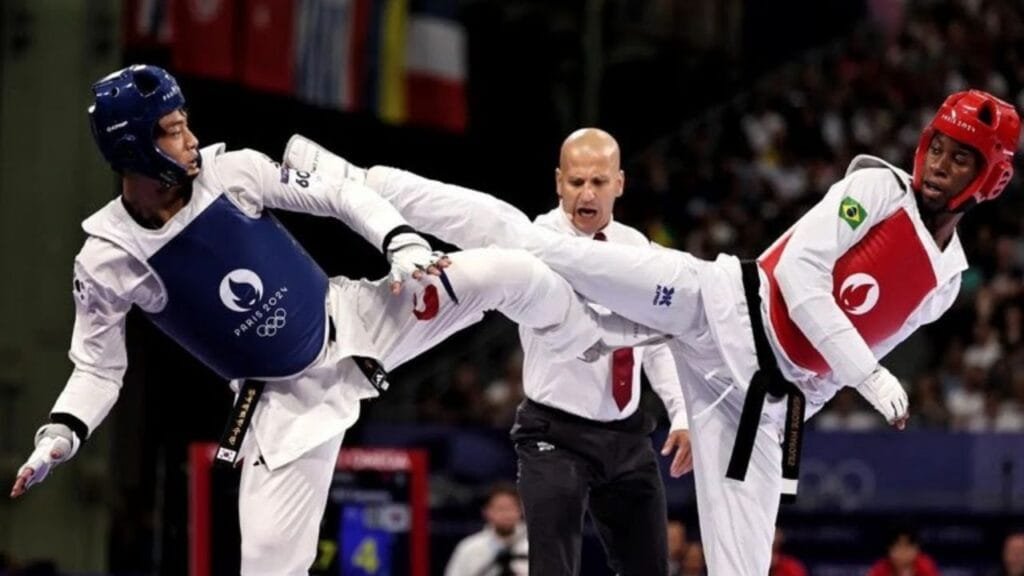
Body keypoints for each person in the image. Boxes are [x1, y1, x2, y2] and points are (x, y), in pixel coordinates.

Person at [291, 89, 1021, 575]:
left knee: (741, 568)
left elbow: (830, 367)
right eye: (938, 148)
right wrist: (870, 376)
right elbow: (798, 281)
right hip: (718, 308)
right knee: (523, 245)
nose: (939, 166)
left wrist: (749, 412)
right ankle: (355, 183)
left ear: (988, 180)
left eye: (961, 160)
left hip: (753, 408)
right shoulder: (875, 188)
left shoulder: (946, 281)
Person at [6, 65, 654, 576]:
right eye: (171, 131)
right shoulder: (108, 259)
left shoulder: (236, 172)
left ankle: (598, 335)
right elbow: (97, 367)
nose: (190, 139)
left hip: (363, 316)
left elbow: (339, 191)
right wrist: (61, 433)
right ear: (132, 149)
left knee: (512, 270)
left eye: (185, 124)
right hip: (283, 405)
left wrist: (398, 239)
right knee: (269, 568)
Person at [444, 483, 528, 576]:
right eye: (500, 508)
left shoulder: (535, 547)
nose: (506, 514)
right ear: (486, 512)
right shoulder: (469, 548)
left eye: (511, 508)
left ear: (521, 510)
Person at [866, 527, 940, 576]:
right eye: (898, 547)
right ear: (889, 550)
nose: (903, 552)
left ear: (917, 549)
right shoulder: (880, 569)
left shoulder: (926, 567)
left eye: (907, 547)